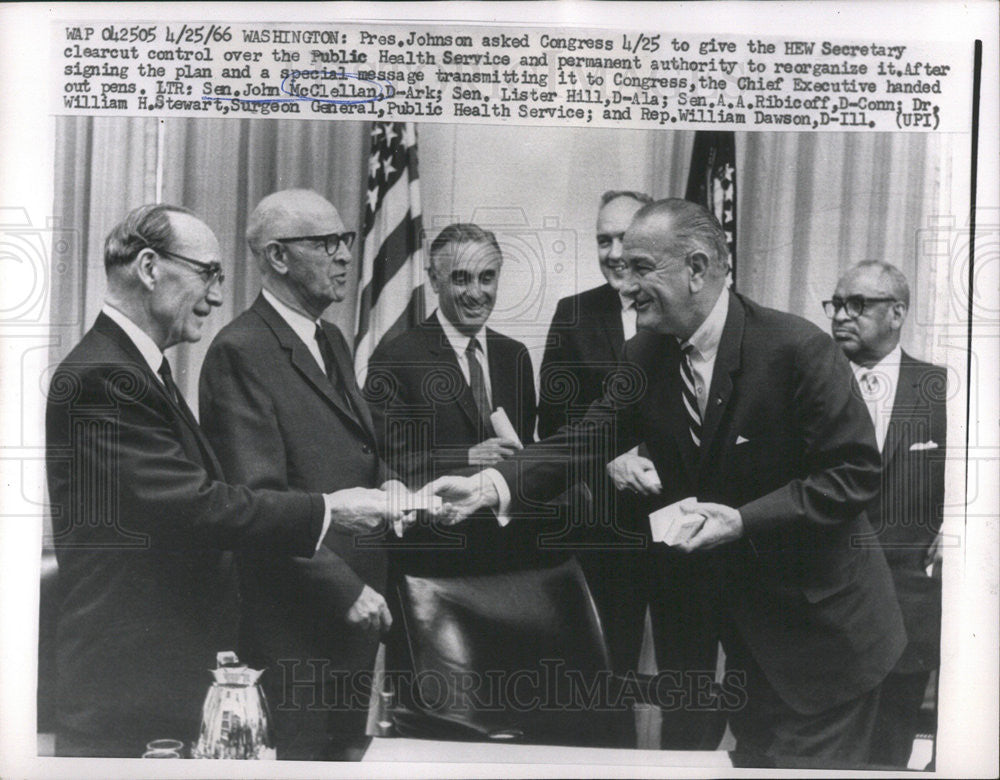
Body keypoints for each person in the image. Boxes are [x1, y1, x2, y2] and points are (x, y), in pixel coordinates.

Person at [434, 199, 907, 766]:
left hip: (828, 639)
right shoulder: (645, 353)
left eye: (640, 268)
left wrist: (742, 520)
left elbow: (853, 474)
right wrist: (491, 486)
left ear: (698, 268)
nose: (624, 284)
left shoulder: (797, 349)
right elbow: (587, 439)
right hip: (751, 652)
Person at [45, 204, 413, 758]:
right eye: (208, 273)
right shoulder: (104, 375)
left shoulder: (137, 369)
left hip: (159, 675)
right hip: (128, 687)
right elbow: (193, 507)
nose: (218, 296)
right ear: (149, 267)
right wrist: (327, 510)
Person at [199, 190, 400, 759]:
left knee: (345, 758)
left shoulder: (329, 336)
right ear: (278, 257)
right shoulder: (239, 350)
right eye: (325, 243)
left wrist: (388, 483)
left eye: (346, 241)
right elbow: (258, 502)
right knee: (301, 759)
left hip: (355, 609)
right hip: (293, 620)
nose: (343, 257)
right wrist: (344, 587)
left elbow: (353, 446)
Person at [538, 191, 721, 748]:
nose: (614, 254)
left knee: (688, 676)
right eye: (602, 239)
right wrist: (612, 464)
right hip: (606, 534)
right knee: (602, 675)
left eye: (627, 242)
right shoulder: (575, 314)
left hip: (681, 528)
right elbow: (560, 426)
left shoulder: (694, 318)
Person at [364, 222, 562, 577]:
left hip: (509, 553)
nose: (476, 292)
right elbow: (384, 460)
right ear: (435, 281)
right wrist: (467, 455)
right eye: (461, 279)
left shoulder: (513, 356)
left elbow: (524, 448)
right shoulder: (395, 358)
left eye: (486, 278)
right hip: (435, 558)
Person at [826, 261, 947, 768]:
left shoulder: (945, 390)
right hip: (825, 609)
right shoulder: (812, 385)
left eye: (859, 304)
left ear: (897, 313)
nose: (842, 317)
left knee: (889, 756)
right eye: (837, 304)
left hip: (907, 605)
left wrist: (961, 525)